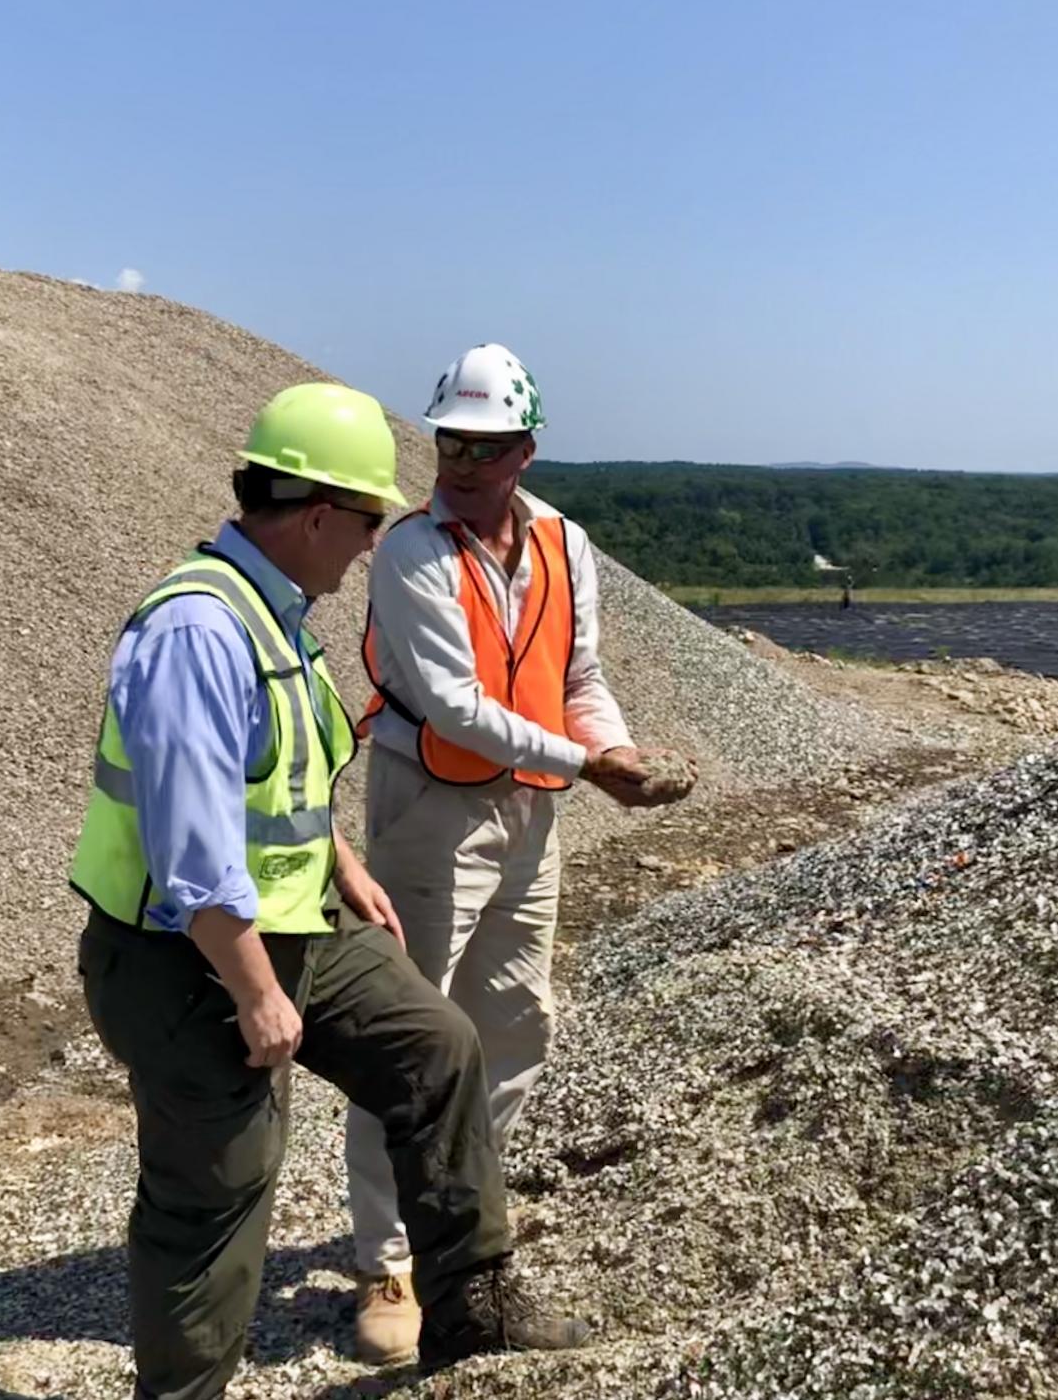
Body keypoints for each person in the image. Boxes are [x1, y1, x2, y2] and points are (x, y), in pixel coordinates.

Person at [69, 382, 591, 1399]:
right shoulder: (198, 633)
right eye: (360, 522)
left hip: (292, 918)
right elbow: (191, 847)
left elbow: (280, 780)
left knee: (436, 1044)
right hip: (189, 956)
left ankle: (469, 1314)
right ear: (314, 514)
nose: (366, 549)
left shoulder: (274, 611)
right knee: (216, 1187)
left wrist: (339, 859)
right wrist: (259, 991)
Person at [342, 345, 695, 1364]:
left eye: (483, 444)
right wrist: (592, 763)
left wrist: (615, 744)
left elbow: (577, 671)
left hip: (531, 806)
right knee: (406, 1030)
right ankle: (388, 1257)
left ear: (524, 449)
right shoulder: (411, 551)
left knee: (511, 1012)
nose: (458, 457)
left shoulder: (560, 540)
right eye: (448, 437)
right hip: (432, 805)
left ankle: (464, 1214)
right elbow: (455, 704)